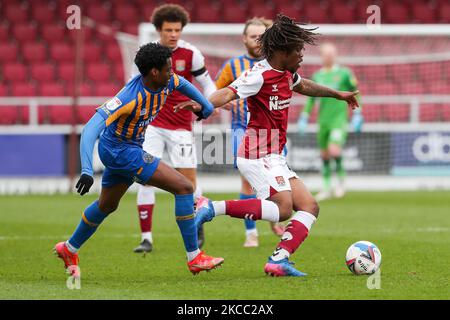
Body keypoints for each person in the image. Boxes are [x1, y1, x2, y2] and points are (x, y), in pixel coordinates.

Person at [176, 15, 359, 276]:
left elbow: (304, 85)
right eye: (298, 51)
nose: (302, 56)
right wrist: (204, 105)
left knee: (309, 206)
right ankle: (211, 207)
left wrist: (337, 94)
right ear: (283, 52)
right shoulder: (258, 75)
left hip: (273, 153)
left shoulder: (287, 73)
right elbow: (228, 92)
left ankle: (279, 259)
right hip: (256, 151)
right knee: (283, 209)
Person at [54, 43, 223, 277]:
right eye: (168, 69)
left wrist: (205, 107)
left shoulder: (167, 81)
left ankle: (69, 248)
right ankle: (195, 258)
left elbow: (184, 85)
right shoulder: (128, 97)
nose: (172, 73)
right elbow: (90, 129)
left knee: (107, 205)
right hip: (121, 152)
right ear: (154, 72)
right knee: (184, 188)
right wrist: (85, 169)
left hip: (127, 149)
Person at [134, 4, 217, 253]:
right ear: (158, 29)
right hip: (152, 126)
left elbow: (208, 86)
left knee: (188, 183)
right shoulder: (147, 55)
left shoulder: (192, 54)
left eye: (177, 30)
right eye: (168, 29)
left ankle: (198, 222)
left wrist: (207, 105)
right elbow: (133, 84)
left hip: (182, 128)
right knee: (145, 179)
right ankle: (146, 238)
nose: (173, 34)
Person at [215, 17, 285, 248]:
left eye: (261, 36)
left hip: (271, 134)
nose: (257, 40)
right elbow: (218, 91)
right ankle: (251, 232)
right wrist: (224, 103)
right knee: (248, 181)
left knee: (273, 179)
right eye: (253, 36)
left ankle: (274, 215)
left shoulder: (277, 65)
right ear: (244, 39)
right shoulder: (232, 66)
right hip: (242, 131)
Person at [297, 42, 363, 201]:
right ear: (321, 56)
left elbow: (356, 92)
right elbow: (311, 99)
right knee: (325, 155)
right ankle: (326, 187)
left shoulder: (345, 73)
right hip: (323, 121)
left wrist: (358, 113)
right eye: (326, 54)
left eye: (331, 54)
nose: (329, 57)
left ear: (335, 55)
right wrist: (304, 116)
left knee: (334, 150)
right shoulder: (317, 76)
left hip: (338, 120)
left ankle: (341, 183)